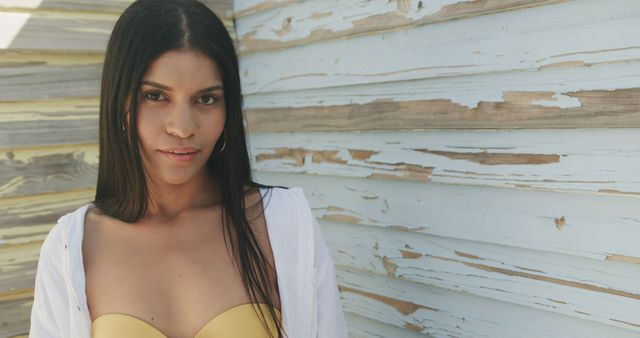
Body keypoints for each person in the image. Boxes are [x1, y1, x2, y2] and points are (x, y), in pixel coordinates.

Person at [28, 0, 348, 337]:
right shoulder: (70, 249)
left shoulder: (284, 223)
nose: (182, 127)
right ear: (119, 99)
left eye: (206, 99)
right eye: (155, 96)